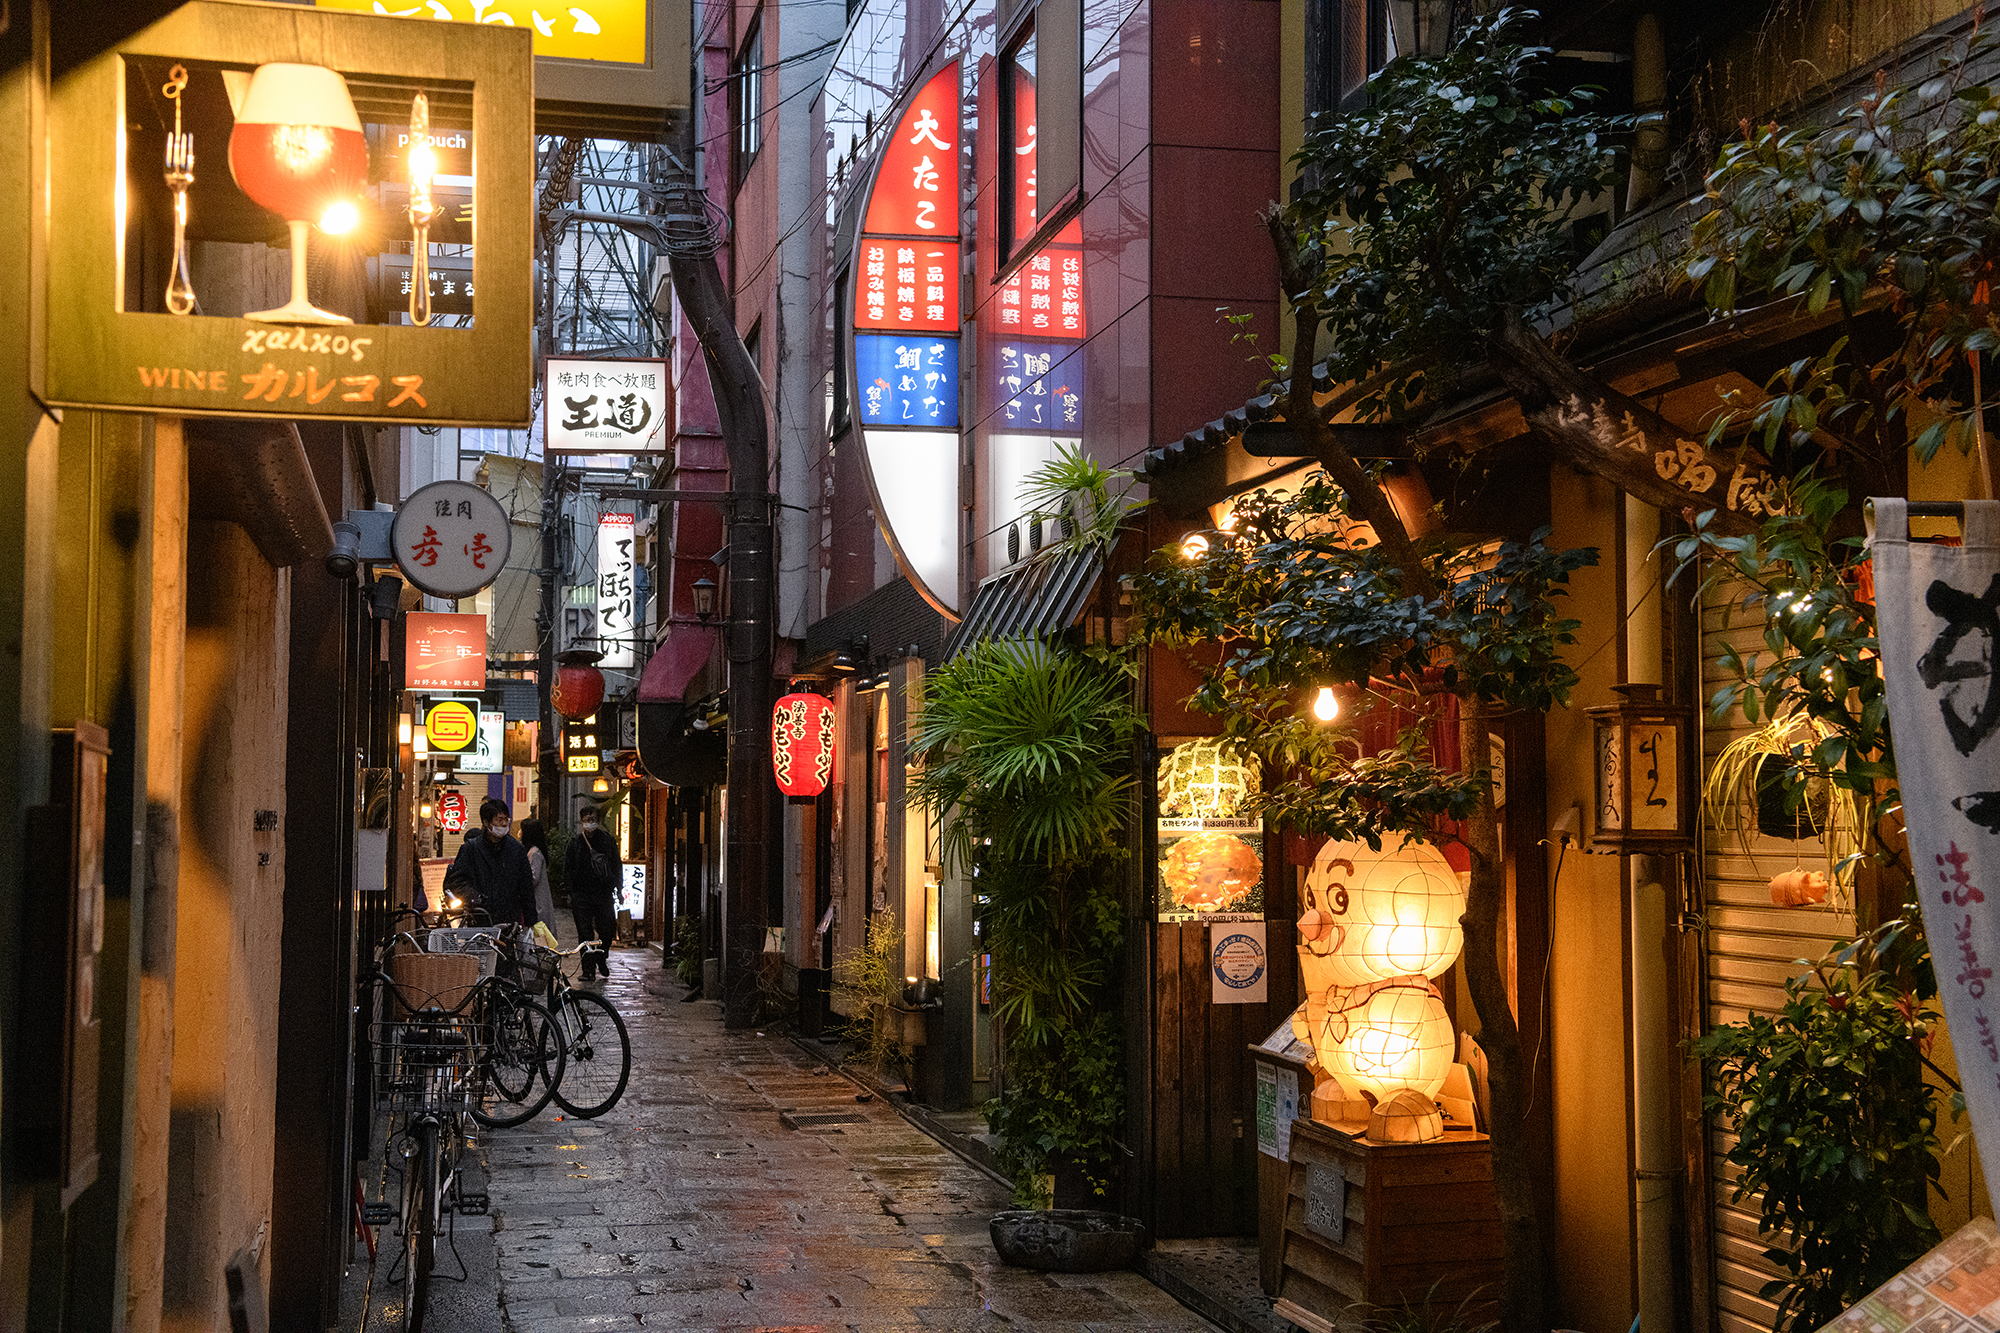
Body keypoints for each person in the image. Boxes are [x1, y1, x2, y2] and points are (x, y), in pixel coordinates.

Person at [442, 798, 539, 928]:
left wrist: (531, 922)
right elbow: (457, 881)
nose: (504, 824)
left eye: (506, 819)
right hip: (478, 917)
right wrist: (474, 898)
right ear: (486, 823)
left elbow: (526, 888)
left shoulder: (516, 849)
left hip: (509, 920)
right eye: (499, 820)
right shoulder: (470, 849)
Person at [566, 804, 620, 983]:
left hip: (604, 892)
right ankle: (588, 970)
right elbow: (569, 870)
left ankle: (601, 956)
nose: (591, 822)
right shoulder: (575, 844)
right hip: (582, 895)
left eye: (594, 819)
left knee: (607, 929)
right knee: (585, 933)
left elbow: (616, 865)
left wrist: (618, 888)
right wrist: (570, 892)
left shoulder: (607, 841)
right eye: (588, 819)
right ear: (582, 821)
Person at [520, 817, 556, 927]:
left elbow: (534, 878)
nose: (519, 832)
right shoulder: (534, 851)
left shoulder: (534, 853)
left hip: (537, 900)